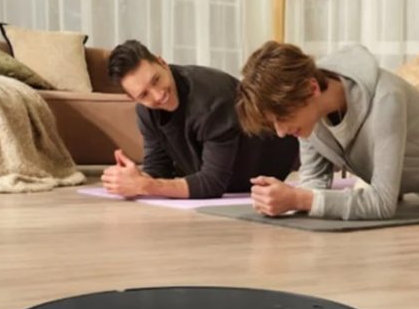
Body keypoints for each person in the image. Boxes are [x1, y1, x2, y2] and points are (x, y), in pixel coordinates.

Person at [234, 41, 419, 220]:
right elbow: (314, 184)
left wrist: (299, 200)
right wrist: (284, 197)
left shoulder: (386, 98)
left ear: (311, 88)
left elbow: (382, 203)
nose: (281, 132)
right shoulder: (309, 118)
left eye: (282, 118)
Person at [101, 40, 297, 198]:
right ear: (133, 98)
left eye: (156, 80)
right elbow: (158, 168)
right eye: (144, 95)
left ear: (162, 62)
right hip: (230, 182)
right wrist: (132, 178)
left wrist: (145, 185)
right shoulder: (146, 112)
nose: (158, 95)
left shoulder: (213, 97)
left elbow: (212, 183)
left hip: (271, 168)